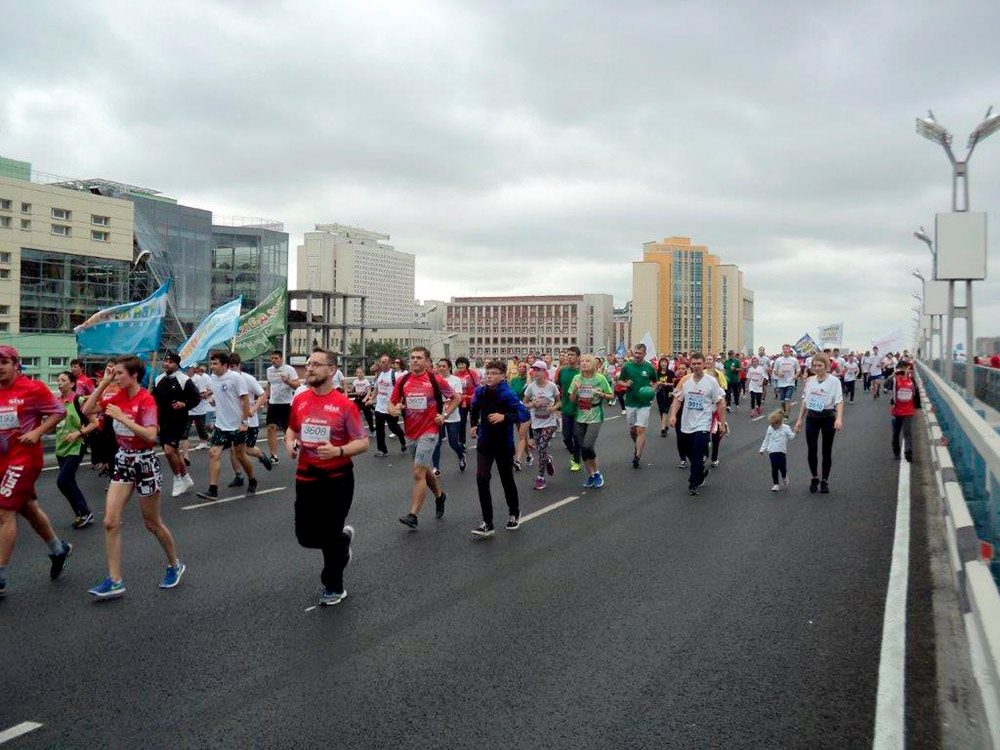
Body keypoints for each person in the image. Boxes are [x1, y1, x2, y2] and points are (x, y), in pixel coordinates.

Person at [82, 355, 183, 599]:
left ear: (134, 375)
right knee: (110, 521)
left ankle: (174, 565)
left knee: (152, 523)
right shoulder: (116, 396)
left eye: (118, 373)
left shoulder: (146, 400)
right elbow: (87, 409)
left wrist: (122, 418)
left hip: (145, 462)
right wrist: (104, 383)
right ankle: (115, 580)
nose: (115, 377)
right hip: (123, 460)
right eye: (112, 373)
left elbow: (150, 436)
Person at [285, 348, 368, 606]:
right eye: (308, 364)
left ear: (331, 370)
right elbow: (292, 429)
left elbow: (363, 443)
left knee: (329, 535)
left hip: (337, 478)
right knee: (305, 536)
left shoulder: (345, 405)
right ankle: (343, 540)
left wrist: (338, 451)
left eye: (315, 365)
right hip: (306, 477)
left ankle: (333, 586)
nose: (308, 368)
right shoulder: (300, 400)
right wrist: (290, 444)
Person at [0, 346, 72, 598]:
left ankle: (0, 576)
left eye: (5, 362)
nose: (0, 366)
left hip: (24, 459)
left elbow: (59, 411)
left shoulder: (32, 389)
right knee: (27, 508)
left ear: (16, 364)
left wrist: (37, 432)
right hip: (2, 460)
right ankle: (57, 548)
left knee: (4, 512)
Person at [391, 347, 460, 529]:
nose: (414, 361)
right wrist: (394, 409)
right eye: (412, 358)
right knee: (423, 469)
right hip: (411, 432)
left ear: (427, 361)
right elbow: (392, 403)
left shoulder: (434, 380)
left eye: (419, 358)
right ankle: (439, 495)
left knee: (418, 473)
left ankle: (413, 515)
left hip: (429, 432)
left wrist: (444, 415)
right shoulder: (402, 380)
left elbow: (456, 398)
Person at [470, 361, 530, 537]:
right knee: (482, 479)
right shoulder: (481, 391)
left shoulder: (508, 394)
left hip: (503, 443)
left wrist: (504, 416)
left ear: (503, 376)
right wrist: (474, 424)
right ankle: (487, 522)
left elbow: (524, 414)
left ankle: (514, 512)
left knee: (506, 480)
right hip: (485, 442)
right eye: (488, 372)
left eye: (494, 373)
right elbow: (474, 407)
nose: (489, 376)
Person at [196, 351, 256, 500]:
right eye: (211, 363)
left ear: (224, 365)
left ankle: (253, 480)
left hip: (237, 425)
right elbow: (219, 394)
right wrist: (212, 399)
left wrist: (244, 422)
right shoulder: (213, 378)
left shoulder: (235, 378)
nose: (212, 366)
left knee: (240, 455)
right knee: (213, 453)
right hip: (221, 425)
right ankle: (213, 490)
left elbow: (245, 399)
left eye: (215, 364)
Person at [668, 353, 727, 496]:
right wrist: (673, 415)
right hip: (687, 422)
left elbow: (720, 402)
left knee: (697, 451)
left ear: (704, 365)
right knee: (688, 451)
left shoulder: (711, 382)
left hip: (703, 422)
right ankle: (700, 472)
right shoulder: (686, 381)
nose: (696, 366)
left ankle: (693, 483)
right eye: (693, 364)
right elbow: (678, 399)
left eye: (699, 363)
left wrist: (722, 423)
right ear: (690, 366)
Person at [152, 351, 202, 497]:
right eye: (166, 361)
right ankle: (186, 477)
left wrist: (183, 404)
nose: (167, 364)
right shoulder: (158, 379)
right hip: (163, 420)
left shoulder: (184, 379)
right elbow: (153, 400)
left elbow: (196, 397)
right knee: (174, 452)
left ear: (177, 364)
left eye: (171, 362)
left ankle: (178, 478)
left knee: (168, 451)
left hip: (178, 420)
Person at [793, 353, 844, 494]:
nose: (817, 368)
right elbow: (805, 401)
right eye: (815, 366)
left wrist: (839, 419)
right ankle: (815, 477)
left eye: (820, 365)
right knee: (812, 449)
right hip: (812, 417)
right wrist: (799, 420)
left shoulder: (834, 381)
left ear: (826, 366)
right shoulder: (810, 381)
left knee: (826, 451)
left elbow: (839, 401)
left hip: (828, 416)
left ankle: (825, 480)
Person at [55, 371, 98, 528]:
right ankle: (82, 513)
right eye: (58, 380)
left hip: (76, 446)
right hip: (61, 448)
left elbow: (94, 423)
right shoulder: (57, 402)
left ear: (72, 384)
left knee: (63, 480)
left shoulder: (79, 401)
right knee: (69, 482)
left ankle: (84, 512)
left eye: (63, 380)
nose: (59, 383)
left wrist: (77, 433)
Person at [568, 353, 615, 489]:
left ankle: (597, 473)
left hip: (595, 414)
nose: (584, 363)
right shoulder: (577, 378)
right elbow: (571, 400)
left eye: (587, 361)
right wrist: (575, 390)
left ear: (594, 364)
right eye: (582, 361)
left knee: (588, 446)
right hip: (580, 415)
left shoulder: (600, 379)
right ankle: (591, 475)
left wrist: (602, 395)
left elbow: (611, 396)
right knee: (582, 448)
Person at [228, 353, 273, 483]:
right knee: (233, 448)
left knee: (247, 450)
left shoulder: (248, 379)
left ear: (238, 365)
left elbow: (263, 395)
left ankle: (261, 455)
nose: (231, 370)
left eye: (233, 367)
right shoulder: (227, 379)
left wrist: (253, 408)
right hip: (233, 422)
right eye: (228, 367)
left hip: (249, 422)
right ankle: (239, 476)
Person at [619, 343, 657, 468]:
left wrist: (652, 391)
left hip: (644, 403)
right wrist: (625, 385)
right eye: (636, 353)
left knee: (641, 429)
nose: (637, 355)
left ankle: (637, 456)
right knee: (633, 430)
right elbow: (619, 381)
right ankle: (637, 446)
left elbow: (655, 382)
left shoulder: (649, 367)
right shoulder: (628, 366)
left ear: (645, 354)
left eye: (640, 353)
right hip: (630, 402)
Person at [524, 360, 560, 490]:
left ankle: (540, 478)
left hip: (550, 422)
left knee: (542, 447)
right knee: (541, 451)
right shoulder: (531, 387)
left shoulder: (551, 386)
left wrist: (553, 408)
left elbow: (559, 402)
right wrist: (532, 405)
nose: (536, 372)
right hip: (536, 423)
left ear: (545, 372)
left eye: (539, 370)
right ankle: (548, 460)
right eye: (534, 370)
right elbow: (524, 403)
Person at [432, 358, 467, 475]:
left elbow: (458, 398)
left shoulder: (455, 380)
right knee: (436, 443)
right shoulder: (434, 380)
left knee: (453, 443)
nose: (441, 368)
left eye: (443, 366)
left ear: (449, 368)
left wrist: (446, 414)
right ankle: (436, 467)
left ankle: (461, 455)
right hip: (437, 416)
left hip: (452, 416)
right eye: (439, 366)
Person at [264, 350, 300, 464]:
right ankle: (273, 455)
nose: (273, 360)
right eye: (272, 358)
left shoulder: (289, 369)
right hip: (273, 403)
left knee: (287, 430)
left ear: (281, 359)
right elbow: (269, 384)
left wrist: (287, 381)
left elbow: (297, 385)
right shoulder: (269, 370)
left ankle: (294, 444)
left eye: (275, 358)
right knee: (271, 428)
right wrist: (266, 397)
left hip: (286, 403)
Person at [368, 355, 407, 457]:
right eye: (380, 362)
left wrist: (399, 404)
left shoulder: (395, 375)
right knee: (379, 429)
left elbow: (402, 391)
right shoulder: (379, 375)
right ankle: (382, 450)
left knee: (393, 427)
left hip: (391, 407)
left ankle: (402, 440)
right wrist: (371, 399)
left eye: (384, 362)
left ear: (389, 363)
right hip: (379, 407)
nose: (381, 364)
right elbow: (376, 389)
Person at [88, 360, 121, 476]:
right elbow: (94, 405)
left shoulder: (122, 386)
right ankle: (112, 475)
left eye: (113, 367)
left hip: (118, 421)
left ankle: (117, 475)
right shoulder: (103, 386)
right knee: (109, 452)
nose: (110, 370)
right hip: (105, 421)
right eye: (108, 367)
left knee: (117, 451)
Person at [557, 346, 583, 472]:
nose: (568, 357)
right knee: (566, 436)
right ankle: (574, 453)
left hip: (580, 409)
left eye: (572, 355)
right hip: (566, 407)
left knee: (576, 436)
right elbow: (559, 387)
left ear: (578, 357)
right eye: (567, 354)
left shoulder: (582, 372)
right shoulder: (562, 371)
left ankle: (577, 460)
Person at [890, 363, 921, 462]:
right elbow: (886, 384)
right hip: (897, 411)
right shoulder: (895, 380)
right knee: (896, 433)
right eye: (902, 368)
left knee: (907, 433)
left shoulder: (911, 381)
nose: (905, 370)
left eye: (907, 368)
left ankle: (908, 452)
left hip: (908, 411)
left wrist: (918, 408)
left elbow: (916, 395)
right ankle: (896, 452)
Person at [759, 409, 795, 491]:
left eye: (773, 424)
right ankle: (776, 484)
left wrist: (796, 432)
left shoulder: (786, 428)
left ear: (779, 423)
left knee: (782, 468)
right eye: (771, 424)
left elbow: (791, 437)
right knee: (774, 467)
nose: (772, 425)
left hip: (781, 451)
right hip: (772, 451)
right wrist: (762, 449)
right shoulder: (770, 428)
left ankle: (784, 476)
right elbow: (766, 439)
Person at [453, 356, 480, 447]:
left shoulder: (472, 373)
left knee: (474, 422)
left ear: (466, 364)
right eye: (459, 364)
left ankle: (479, 440)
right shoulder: (455, 374)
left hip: (472, 401)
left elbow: (477, 386)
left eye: (463, 364)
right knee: (462, 422)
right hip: (461, 402)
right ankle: (462, 442)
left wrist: (475, 396)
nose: (461, 366)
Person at [508, 361, 531, 470]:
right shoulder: (514, 380)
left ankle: (517, 460)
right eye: (520, 366)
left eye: (524, 367)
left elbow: (528, 388)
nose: (521, 368)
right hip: (516, 409)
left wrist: (529, 373)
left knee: (522, 435)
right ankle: (529, 454)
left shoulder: (531, 380)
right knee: (523, 435)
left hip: (527, 410)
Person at [772, 345, 800, 419]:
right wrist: (779, 374)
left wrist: (796, 376)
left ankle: (786, 416)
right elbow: (774, 370)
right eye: (784, 349)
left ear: (789, 350)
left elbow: (798, 370)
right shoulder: (778, 360)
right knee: (782, 401)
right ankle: (784, 411)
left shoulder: (794, 360)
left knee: (787, 399)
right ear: (782, 350)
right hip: (781, 383)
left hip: (790, 382)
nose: (785, 351)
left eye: (787, 349)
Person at [655, 357, 676, 437]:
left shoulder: (671, 373)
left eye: (665, 362)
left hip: (668, 393)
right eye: (662, 362)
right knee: (661, 410)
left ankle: (663, 429)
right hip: (660, 393)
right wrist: (658, 383)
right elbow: (653, 383)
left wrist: (667, 384)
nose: (663, 364)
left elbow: (675, 384)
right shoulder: (657, 373)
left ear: (667, 363)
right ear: (659, 364)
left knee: (665, 410)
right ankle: (665, 424)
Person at [350, 367, 375, 432]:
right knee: (353, 413)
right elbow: (352, 389)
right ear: (356, 373)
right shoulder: (355, 381)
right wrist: (346, 389)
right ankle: (354, 429)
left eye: (360, 372)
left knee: (368, 415)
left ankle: (372, 429)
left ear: (363, 373)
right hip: (358, 398)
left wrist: (365, 398)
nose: (359, 374)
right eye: (357, 372)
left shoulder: (365, 381)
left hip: (364, 398)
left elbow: (369, 391)